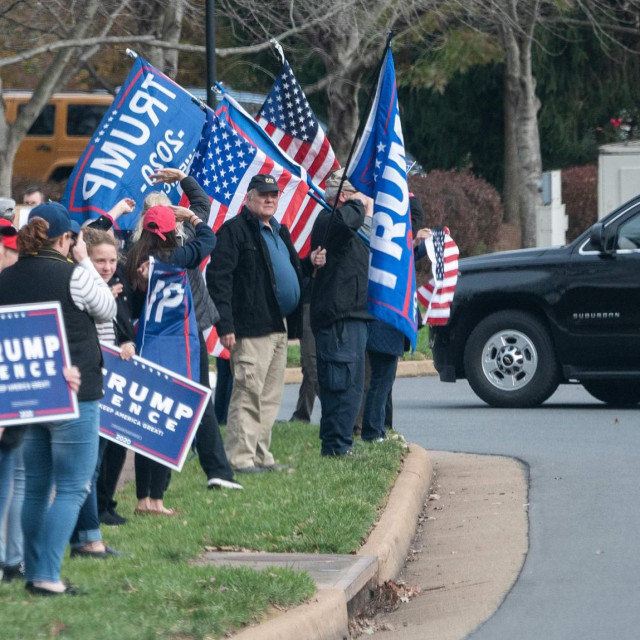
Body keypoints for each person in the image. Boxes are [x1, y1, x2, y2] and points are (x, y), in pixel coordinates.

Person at [0, 202, 116, 595]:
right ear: (67, 239)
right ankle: (46, 575)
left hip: (30, 396)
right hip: (75, 392)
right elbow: (108, 309)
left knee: (35, 487)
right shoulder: (75, 275)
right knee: (72, 486)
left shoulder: (6, 278)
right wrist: (84, 262)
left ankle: (35, 573)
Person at [206, 174, 309, 473]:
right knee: (248, 392)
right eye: (263, 194)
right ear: (249, 198)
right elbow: (219, 279)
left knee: (269, 396)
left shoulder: (279, 231)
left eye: (273, 194)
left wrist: (308, 265)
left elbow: (282, 272)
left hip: (279, 325)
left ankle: (261, 457)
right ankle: (239, 459)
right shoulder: (234, 231)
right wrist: (225, 325)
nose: (269, 199)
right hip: (250, 328)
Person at [147, 167, 242, 491]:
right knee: (197, 397)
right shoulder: (184, 248)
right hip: (183, 335)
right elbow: (204, 220)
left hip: (155, 336)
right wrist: (185, 191)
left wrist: (184, 179)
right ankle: (214, 469)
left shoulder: (135, 255)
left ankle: (170, 475)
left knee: (177, 398)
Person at [127, 201, 217, 513]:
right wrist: (193, 217)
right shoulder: (176, 257)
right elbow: (208, 240)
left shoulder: (132, 260)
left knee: (144, 424)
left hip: (145, 346)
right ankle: (157, 499)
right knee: (168, 423)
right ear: (169, 231)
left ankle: (142, 499)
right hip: (177, 349)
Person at [309, 168, 373, 457]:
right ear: (343, 197)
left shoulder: (349, 222)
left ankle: (341, 441)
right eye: (352, 199)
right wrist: (358, 203)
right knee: (340, 382)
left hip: (355, 314)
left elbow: (362, 230)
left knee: (353, 384)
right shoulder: (328, 220)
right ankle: (335, 445)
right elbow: (348, 223)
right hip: (337, 317)